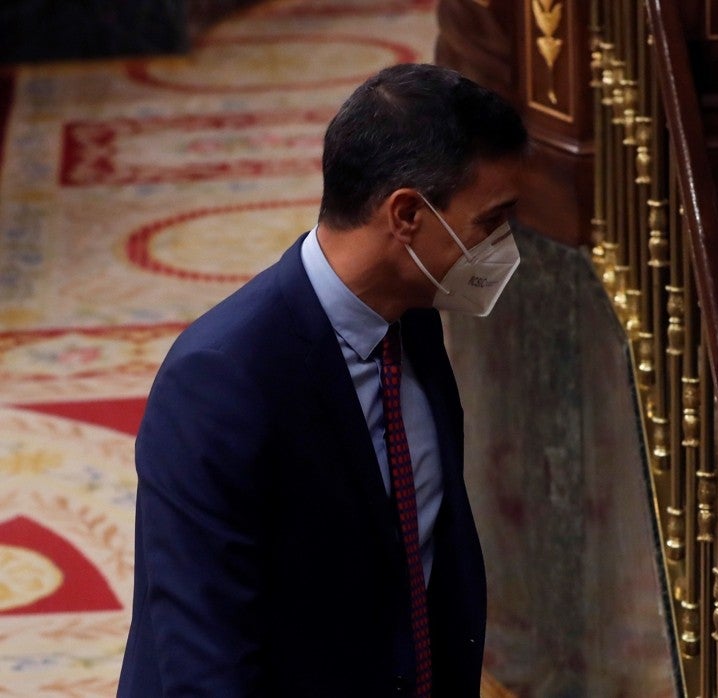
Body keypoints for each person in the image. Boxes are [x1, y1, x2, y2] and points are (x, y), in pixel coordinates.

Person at [118, 63, 528, 696]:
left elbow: (424, 557)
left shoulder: (412, 319)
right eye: (490, 220)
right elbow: (204, 659)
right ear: (408, 215)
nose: (501, 245)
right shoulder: (220, 381)